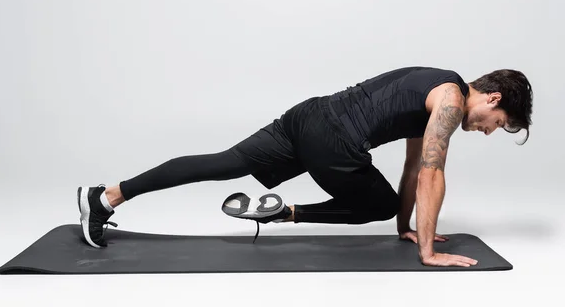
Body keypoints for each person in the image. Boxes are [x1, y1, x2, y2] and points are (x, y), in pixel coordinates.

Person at [76, 66, 533, 267]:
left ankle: (107, 195)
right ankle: (286, 213)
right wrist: (428, 252)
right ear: (493, 98)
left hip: (308, 115)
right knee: (374, 202)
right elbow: (433, 172)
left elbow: (415, 164)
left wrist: (404, 227)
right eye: (500, 123)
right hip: (332, 139)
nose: (492, 131)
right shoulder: (452, 102)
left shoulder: (437, 86)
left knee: (224, 162)